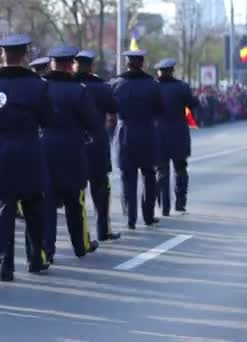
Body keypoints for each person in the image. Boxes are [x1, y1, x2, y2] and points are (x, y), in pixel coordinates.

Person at [0, 34, 50, 281]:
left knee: (4, 208)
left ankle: (5, 264)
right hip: (29, 147)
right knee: (33, 206)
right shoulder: (38, 84)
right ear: (24, 56)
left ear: (3, 55)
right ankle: (35, 259)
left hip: (0, 149)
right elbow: (48, 118)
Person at [42, 45, 99, 261]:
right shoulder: (79, 90)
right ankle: (79, 245)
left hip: (46, 148)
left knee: (47, 203)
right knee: (75, 201)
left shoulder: (42, 87)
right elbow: (92, 121)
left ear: (52, 63)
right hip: (73, 150)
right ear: (69, 65)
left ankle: (47, 249)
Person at [110, 50, 163, 229]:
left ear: (127, 63)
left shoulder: (116, 84)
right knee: (149, 176)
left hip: (125, 133)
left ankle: (131, 218)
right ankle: (148, 216)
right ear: (142, 63)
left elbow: (110, 109)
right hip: (147, 133)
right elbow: (159, 109)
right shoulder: (152, 84)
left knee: (128, 177)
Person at [73, 50, 121, 241]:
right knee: (100, 186)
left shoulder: (69, 85)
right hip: (97, 140)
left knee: (77, 191)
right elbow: (114, 107)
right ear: (91, 67)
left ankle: (82, 235)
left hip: (75, 142)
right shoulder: (100, 86)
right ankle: (103, 229)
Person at [155, 58, 198, 216]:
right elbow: (194, 103)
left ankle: (164, 206)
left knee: (162, 171)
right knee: (180, 170)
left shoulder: (154, 87)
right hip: (179, 133)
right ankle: (180, 203)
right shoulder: (182, 87)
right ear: (172, 71)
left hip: (159, 134)